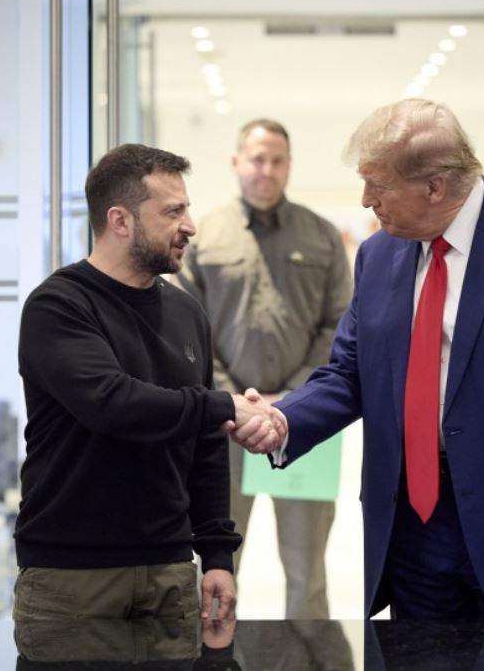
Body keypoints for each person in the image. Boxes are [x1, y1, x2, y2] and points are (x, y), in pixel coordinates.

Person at [234, 99, 484, 620]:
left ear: (435, 186)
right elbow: (351, 371)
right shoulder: (379, 256)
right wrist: (284, 420)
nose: (365, 199)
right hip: (413, 528)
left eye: (378, 184)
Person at [13, 143, 284, 622]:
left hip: (170, 574)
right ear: (120, 221)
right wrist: (224, 406)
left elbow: (204, 447)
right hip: (72, 580)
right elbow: (112, 403)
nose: (190, 225)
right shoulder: (58, 306)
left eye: (188, 208)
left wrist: (218, 556)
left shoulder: (186, 311)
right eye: (173, 211)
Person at [177, 119, 352, 619]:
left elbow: (338, 326)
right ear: (236, 162)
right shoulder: (205, 235)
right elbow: (188, 333)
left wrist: (291, 404)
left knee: (307, 571)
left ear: (289, 166)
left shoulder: (319, 235)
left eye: (277, 160)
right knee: (217, 567)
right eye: (257, 158)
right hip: (223, 429)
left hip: (305, 429)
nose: (266, 169)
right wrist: (237, 402)